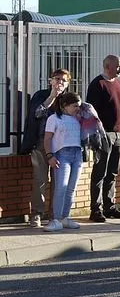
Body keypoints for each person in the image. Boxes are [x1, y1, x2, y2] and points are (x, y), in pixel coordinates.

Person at [21, 68, 71, 227]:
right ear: (50, 81)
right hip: (41, 144)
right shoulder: (41, 95)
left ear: (68, 83)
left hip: (61, 146)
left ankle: (54, 215)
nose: (60, 82)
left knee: (59, 181)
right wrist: (52, 97)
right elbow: (36, 113)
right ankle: (36, 214)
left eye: (64, 80)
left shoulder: (69, 99)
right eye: (57, 79)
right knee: (40, 180)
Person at [86, 54, 120, 222]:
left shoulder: (118, 83)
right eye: (118, 66)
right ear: (108, 66)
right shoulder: (98, 84)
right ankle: (95, 210)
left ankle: (109, 206)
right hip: (105, 134)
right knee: (100, 171)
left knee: (113, 172)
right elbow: (91, 113)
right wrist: (96, 135)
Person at [42, 92, 87, 232]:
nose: (77, 109)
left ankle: (65, 217)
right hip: (62, 154)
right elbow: (47, 139)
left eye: (79, 106)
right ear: (64, 106)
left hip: (77, 154)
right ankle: (55, 219)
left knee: (71, 188)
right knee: (61, 187)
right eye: (74, 106)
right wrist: (50, 156)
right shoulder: (54, 118)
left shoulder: (78, 119)